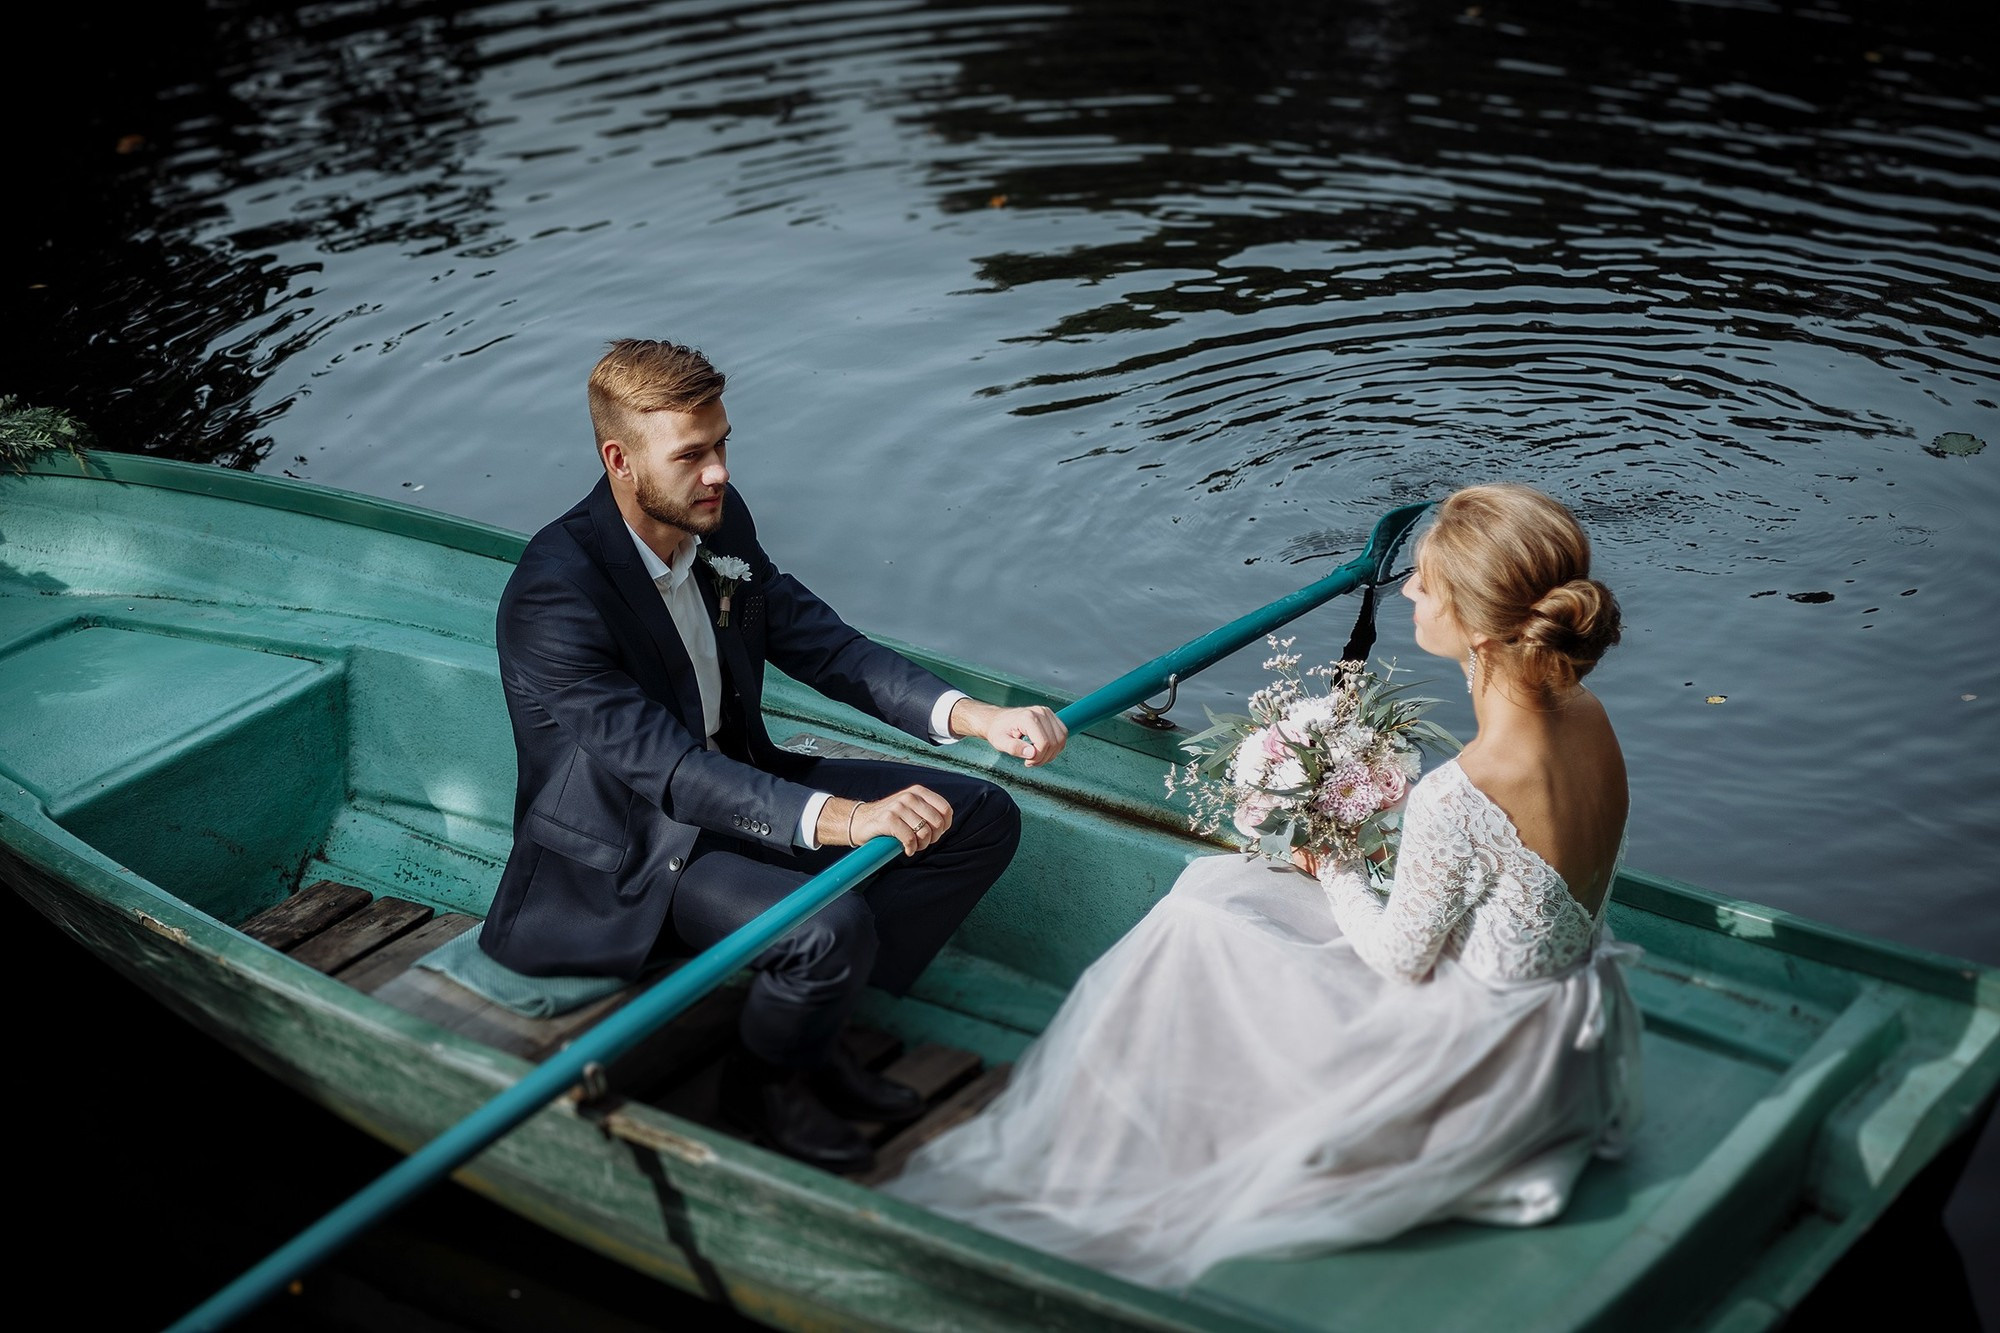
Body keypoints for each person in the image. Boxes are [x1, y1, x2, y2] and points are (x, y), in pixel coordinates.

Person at [882, 483, 1640, 1287]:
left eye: (1424, 580)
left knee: (1202, 914)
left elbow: (1397, 960)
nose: (1409, 590)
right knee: (1225, 893)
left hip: (1475, 1055)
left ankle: (1152, 1132)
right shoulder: (1583, 709)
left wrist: (1332, 860)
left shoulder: (1466, 789)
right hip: (1559, 1022)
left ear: (1477, 626)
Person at [483, 338, 1067, 1174]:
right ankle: (765, 1082)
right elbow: (670, 771)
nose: (718, 470)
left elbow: (815, 638)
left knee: (978, 818)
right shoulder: (554, 593)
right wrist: (849, 818)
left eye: (722, 444)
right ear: (619, 459)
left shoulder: (714, 520)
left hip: (743, 783)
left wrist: (977, 717)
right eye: (691, 454)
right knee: (830, 925)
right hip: (636, 848)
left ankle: (813, 1028)